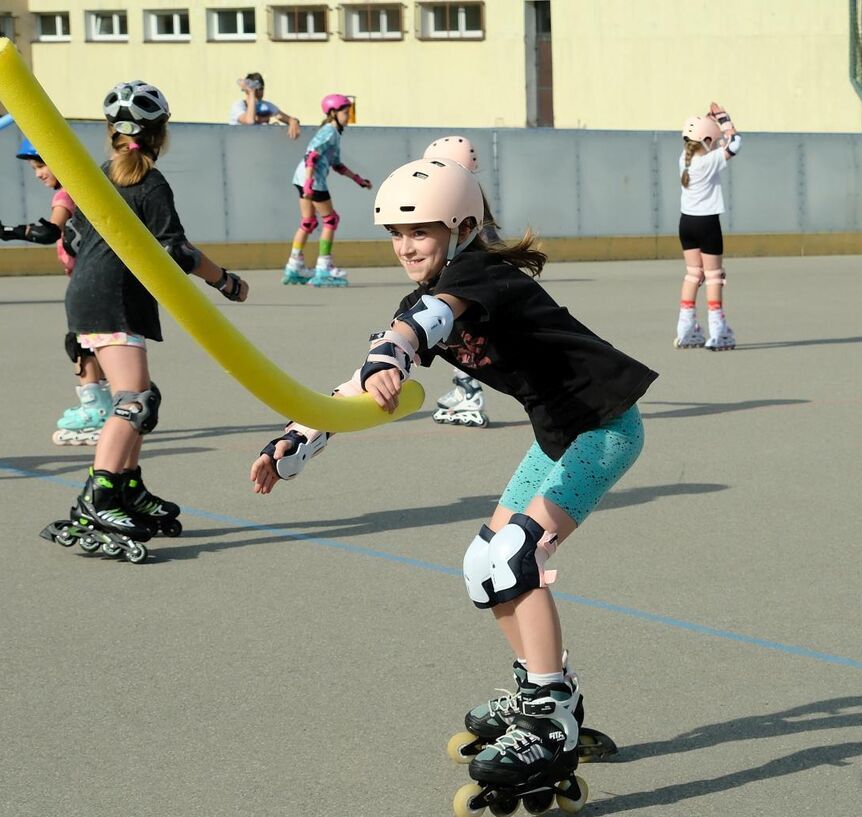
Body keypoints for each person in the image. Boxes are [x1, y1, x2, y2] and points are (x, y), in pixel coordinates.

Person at [250, 158, 656, 807]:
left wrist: (396, 349)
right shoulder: (428, 295)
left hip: (604, 429)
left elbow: (426, 323)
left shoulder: (479, 275)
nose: (406, 247)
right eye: (396, 235)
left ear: (462, 227)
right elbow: (373, 368)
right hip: (555, 436)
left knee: (518, 557)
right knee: (483, 561)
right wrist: (301, 435)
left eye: (422, 232)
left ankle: (550, 719)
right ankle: (544, 688)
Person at [40, 80, 250, 563]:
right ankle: (99, 498)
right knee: (133, 401)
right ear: (161, 134)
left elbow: (72, 241)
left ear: (112, 133)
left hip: (97, 296)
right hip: (112, 299)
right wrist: (226, 282)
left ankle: (129, 488)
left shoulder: (96, 176)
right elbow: (177, 251)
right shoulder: (150, 182)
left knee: (140, 398)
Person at [0, 136, 111, 445]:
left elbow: (49, 231)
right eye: (34, 168)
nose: (39, 174)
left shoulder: (66, 195)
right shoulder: (82, 189)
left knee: (81, 342)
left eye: (41, 165)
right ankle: (110, 403)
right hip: (98, 277)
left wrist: (10, 233)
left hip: (89, 281)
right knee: (97, 342)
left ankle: (95, 408)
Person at [422, 136, 497, 428]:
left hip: (468, 283)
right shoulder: (469, 190)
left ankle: (471, 393)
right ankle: (463, 387)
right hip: (468, 279)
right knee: (455, 337)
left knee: (465, 337)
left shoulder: (461, 194)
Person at [281, 94, 372, 288]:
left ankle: (294, 266)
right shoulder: (329, 131)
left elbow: (336, 165)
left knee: (308, 222)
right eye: (345, 113)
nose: (348, 117)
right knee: (331, 220)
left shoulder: (334, 133)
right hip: (311, 179)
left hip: (302, 177)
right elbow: (312, 155)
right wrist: (309, 182)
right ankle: (324, 267)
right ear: (333, 113)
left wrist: (357, 179)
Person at [675, 101, 740, 350]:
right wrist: (725, 119)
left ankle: (685, 329)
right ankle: (718, 330)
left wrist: (708, 121)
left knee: (693, 274)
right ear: (708, 140)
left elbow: (708, 141)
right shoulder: (710, 161)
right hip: (707, 223)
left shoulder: (685, 159)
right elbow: (735, 144)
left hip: (686, 223)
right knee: (713, 276)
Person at [229, 73, 300, 139]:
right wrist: (251, 92)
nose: (258, 92)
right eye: (255, 89)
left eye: (261, 89)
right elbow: (249, 121)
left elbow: (284, 117)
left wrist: (293, 121)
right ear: (246, 90)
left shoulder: (265, 105)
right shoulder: (238, 105)